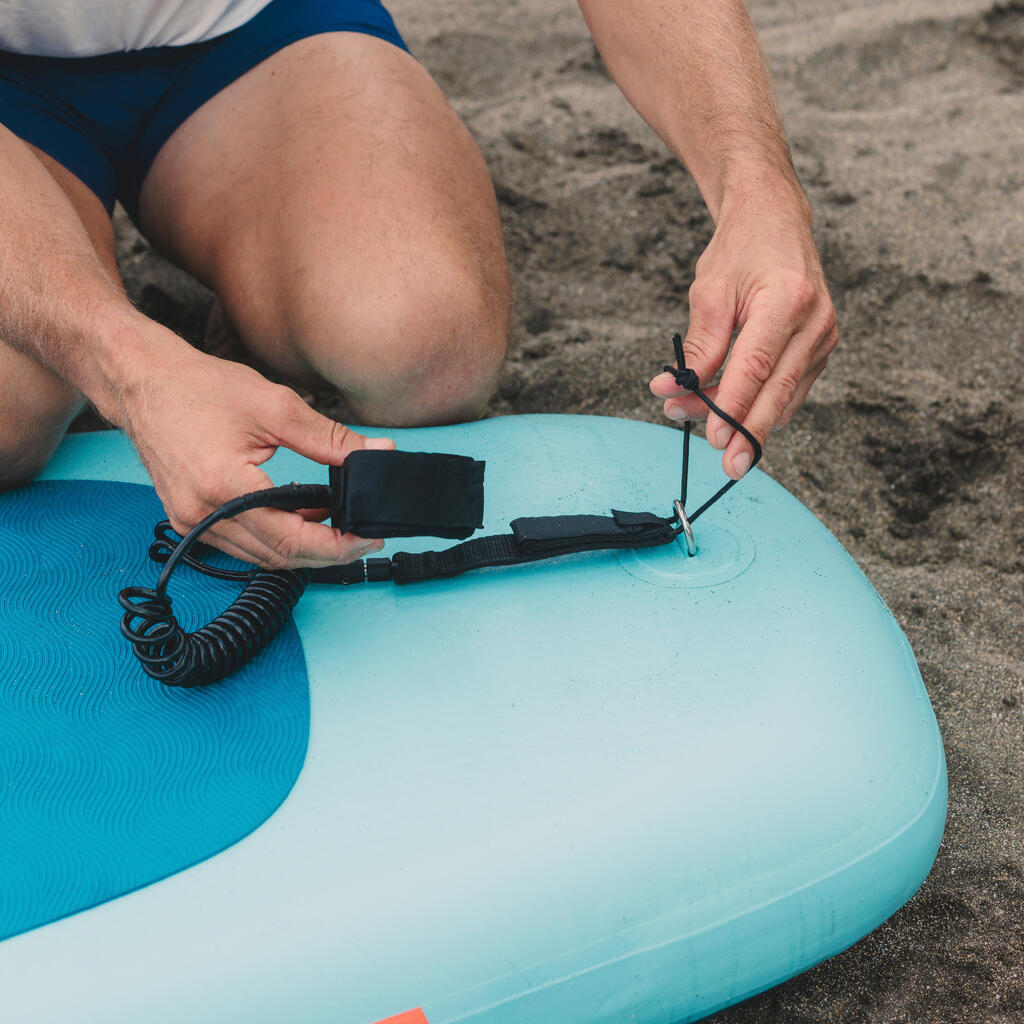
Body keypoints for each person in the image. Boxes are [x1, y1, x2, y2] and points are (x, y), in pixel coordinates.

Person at [0, 0, 837, 569]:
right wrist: (133, 367)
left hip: (248, 30)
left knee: (427, 342)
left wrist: (757, 191)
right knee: (10, 411)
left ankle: (259, 278)